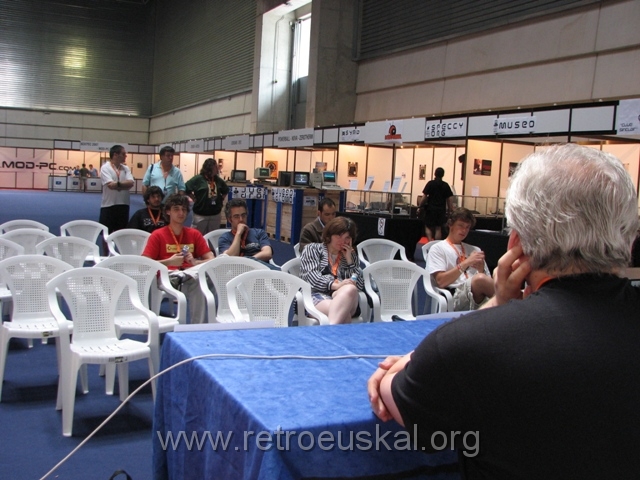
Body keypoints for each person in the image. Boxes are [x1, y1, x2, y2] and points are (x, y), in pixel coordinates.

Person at [368, 144, 640, 479]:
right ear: (629, 242)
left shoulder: (471, 345)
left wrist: (496, 305)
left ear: (515, 244)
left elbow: (393, 394)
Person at [142, 194, 214, 324]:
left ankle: (196, 328)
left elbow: (211, 259)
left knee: (200, 281)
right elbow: (144, 264)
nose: (181, 213)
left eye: (184, 209)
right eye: (176, 209)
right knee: (198, 282)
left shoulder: (194, 234)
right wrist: (169, 262)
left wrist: (195, 262)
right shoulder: (158, 235)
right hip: (167, 277)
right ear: (168, 211)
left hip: (190, 276)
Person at [427, 207, 494, 311]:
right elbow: (441, 281)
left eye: (467, 227)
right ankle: (512, 305)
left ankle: (510, 304)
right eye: (461, 225)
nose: (464, 230)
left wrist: (481, 269)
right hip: (454, 295)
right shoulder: (438, 248)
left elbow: (488, 280)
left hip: (478, 294)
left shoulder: (474, 249)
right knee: (480, 279)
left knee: (497, 275)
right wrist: (466, 263)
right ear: (450, 225)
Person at [299, 216, 363, 324]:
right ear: (329, 235)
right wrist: (336, 285)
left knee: (351, 289)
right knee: (344, 315)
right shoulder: (312, 249)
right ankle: (332, 327)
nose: (343, 241)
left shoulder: (351, 255)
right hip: (316, 295)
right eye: (339, 236)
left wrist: (349, 261)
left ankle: (330, 329)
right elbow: (311, 278)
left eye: (347, 237)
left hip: (346, 297)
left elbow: (360, 285)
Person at [218, 198, 274, 267]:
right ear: (229, 219)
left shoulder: (259, 232)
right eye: (236, 216)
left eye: (243, 215)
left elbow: (267, 253)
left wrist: (247, 261)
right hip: (239, 270)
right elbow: (230, 258)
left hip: (261, 267)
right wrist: (238, 234)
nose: (241, 219)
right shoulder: (225, 238)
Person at [185, 158, 229, 235]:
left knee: (213, 236)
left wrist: (221, 199)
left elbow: (226, 189)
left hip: (215, 214)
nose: (217, 169)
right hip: (200, 214)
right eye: (215, 167)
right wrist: (194, 198)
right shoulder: (198, 179)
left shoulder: (217, 180)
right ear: (209, 168)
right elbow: (186, 187)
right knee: (197, 236)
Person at [99, 145, 135, 240]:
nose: (125, 156)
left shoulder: (126, 168)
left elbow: (131, 183)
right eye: (123, 154)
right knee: (106, 234)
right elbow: (110, 185)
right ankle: (107, 250)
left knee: (122, 234)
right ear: (115, 155)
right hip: (108, 205)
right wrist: (124, 185)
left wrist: (117, 184)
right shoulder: (105, 168)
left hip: (123, 205)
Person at [418, 167, 454, 240]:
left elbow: (424, 196)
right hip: (441, 210)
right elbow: (449, 199)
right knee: (438, 227)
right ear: (443, 175)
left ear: (435, 174)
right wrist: (450, 210)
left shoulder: (430, 183)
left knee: (427, 226)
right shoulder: (445, 185)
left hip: (430, 209)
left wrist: (420, 206)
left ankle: (430, 241)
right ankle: (436, 243)